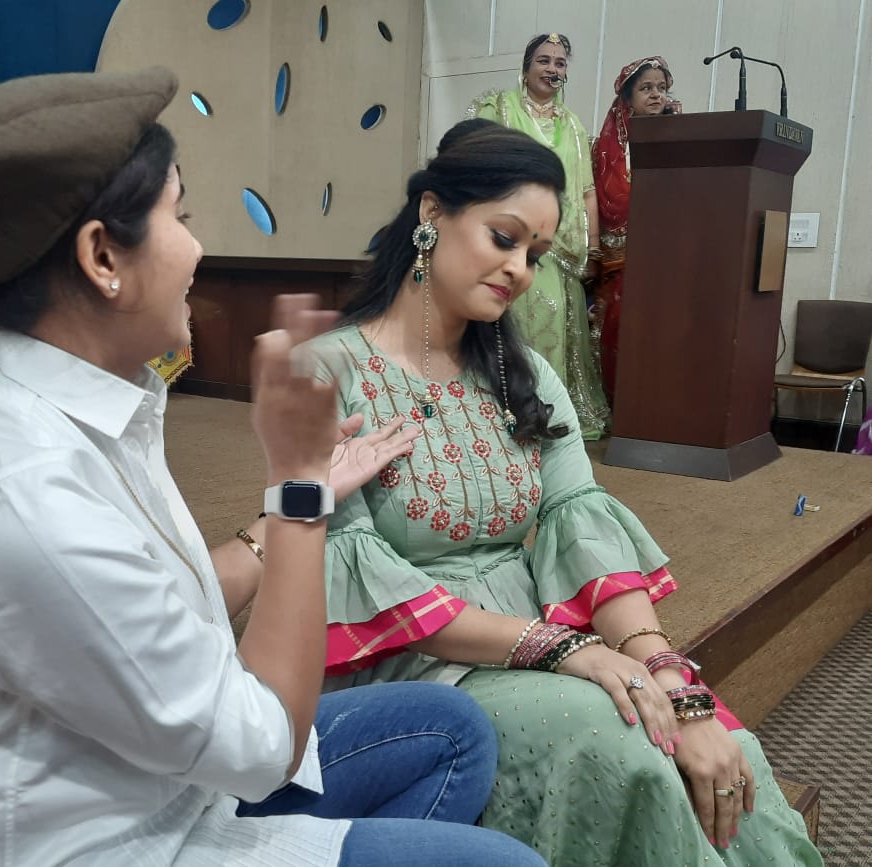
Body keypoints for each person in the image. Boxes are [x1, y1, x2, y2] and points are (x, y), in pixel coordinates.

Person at [0, 67, 548, 867]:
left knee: (450, 731)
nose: (198, 246)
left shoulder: (77, 398)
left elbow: (158, 603)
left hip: (156, 779)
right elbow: (264, 743)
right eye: (180, 215)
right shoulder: (24, 494)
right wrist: (297, 496)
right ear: (102, 257)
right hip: (102, 840)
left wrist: (296, 500)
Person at [308, 118, 824, 866]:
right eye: (503, 237)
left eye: (536, 254)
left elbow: (580, 527)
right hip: (416, 658)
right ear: (431, 214)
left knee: (715, 739)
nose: (520, 268)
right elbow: (360, 580)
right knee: (634, 752)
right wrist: (561, 648)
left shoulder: (526, 377)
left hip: (542, 635)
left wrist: (670, 674)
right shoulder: (327, 371)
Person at [466, 33, 610, 441]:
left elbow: (585, 191)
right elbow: (476, 164)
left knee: (550, 325)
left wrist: (593, 245)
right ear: (526, 66)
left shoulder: (572, 125)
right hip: (507, 238)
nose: (552, 69)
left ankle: (543, 408)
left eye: (560, 63)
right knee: (508, 320)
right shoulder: (500, 110)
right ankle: (499, 406)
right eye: (544, 60)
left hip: (558, 246)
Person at [591, 56, 681, 405]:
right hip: (620, 262)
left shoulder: (681, 140)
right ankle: (621, 408)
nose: (656, 95)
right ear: (627, 98)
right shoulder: (608, 149)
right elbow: (609, 201)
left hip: (666, 260)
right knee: (618, 332)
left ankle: (657, 406)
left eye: (661, 88)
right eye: (646, 88)